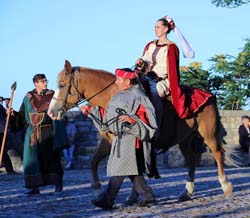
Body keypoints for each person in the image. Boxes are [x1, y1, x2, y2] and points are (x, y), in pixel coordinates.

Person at [80, 68, 157, 209]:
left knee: (122, 168)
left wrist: (132, 120)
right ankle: (148, 196)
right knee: (129, 169)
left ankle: (108, 199)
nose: (116, 82)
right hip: (120, 138)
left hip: (132, 138)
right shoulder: (119, 95)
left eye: (119, 79)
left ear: (127, 81)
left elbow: (148, 117)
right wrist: (91, 111)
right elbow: (110, 117)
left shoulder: (138, 95)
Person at [136, 16, 212, 137]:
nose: (156, 29)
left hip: (161, 81)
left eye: (158, 27)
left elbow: (170, 68)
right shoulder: (150, 45)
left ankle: (156, 130)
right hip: (146, 77)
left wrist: (155, 74)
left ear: (166, 29)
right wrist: (141, 62)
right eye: (155, 27)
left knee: (154, 97)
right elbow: (145, 59)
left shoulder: (171, 47)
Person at [9, 74, 64, 194]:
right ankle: (35, 187)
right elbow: (22, 116)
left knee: (52, 159)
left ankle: (57, 184)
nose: (45, 83)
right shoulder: (28, 97)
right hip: (32, 133)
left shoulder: (52, 96)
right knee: (33, 161)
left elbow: (60, 112)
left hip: (48, 131)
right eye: (42, 81)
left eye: (45, 80)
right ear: (36, 83)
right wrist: (12, 114)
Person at [0, 98, 16, 174]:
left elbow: (7, 115)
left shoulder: (1, 108)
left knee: (3, 151)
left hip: (1, 131)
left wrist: (7, 106)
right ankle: (9, 169)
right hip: (1, 130)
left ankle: (9, 169)